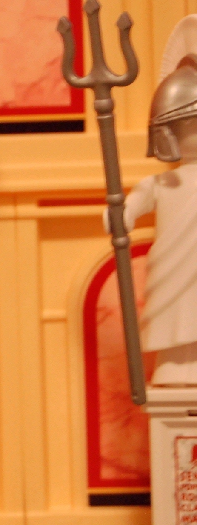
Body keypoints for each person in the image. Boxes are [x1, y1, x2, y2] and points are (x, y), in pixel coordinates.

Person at [121, 54, 197, 386]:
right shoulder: (163, 183)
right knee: (176, 310)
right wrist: (122, 214)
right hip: (174, 272)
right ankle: (174, 364)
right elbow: (134, 203)